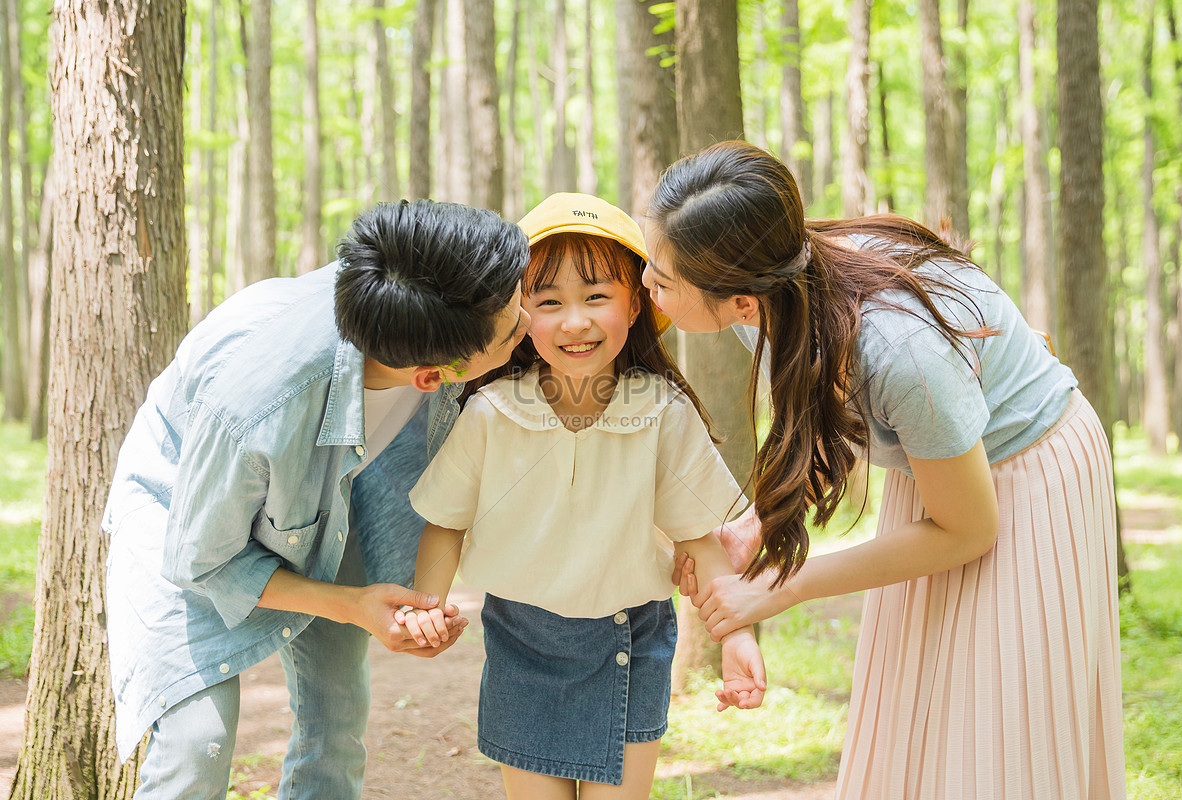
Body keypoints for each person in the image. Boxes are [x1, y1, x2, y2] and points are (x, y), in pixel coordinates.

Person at [650, 141, 1125, 800]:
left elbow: (968, 531)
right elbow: (836, 414)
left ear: (739, 299)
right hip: (938, 465)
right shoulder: (773, 298)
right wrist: (762, 521)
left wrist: (784, 588)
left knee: (995, 728)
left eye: (663, 277)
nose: (647, 284)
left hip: (1027, 472)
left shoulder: (900, 351)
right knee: (920, 709)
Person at [101, 200, 532, 799]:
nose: (531, 323)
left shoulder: (425, 296)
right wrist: (352, 604)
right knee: (194, 743)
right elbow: (199, 559)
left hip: (331, 495)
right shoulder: (257, 405)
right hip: (184, 506)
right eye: (515, 329)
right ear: (436, 375)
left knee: (336, 717)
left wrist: (414, 603)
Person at [399, 193, 766, 800]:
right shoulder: (491, 412)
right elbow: (445, 521)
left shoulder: (661, 412)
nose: (575, 321)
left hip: (630, 637)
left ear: (635, 305)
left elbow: (699, 536)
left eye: (596, 296)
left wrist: (736, 633)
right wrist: (426, 608)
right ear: (519, 317)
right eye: (549, 303)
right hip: (520, 640)